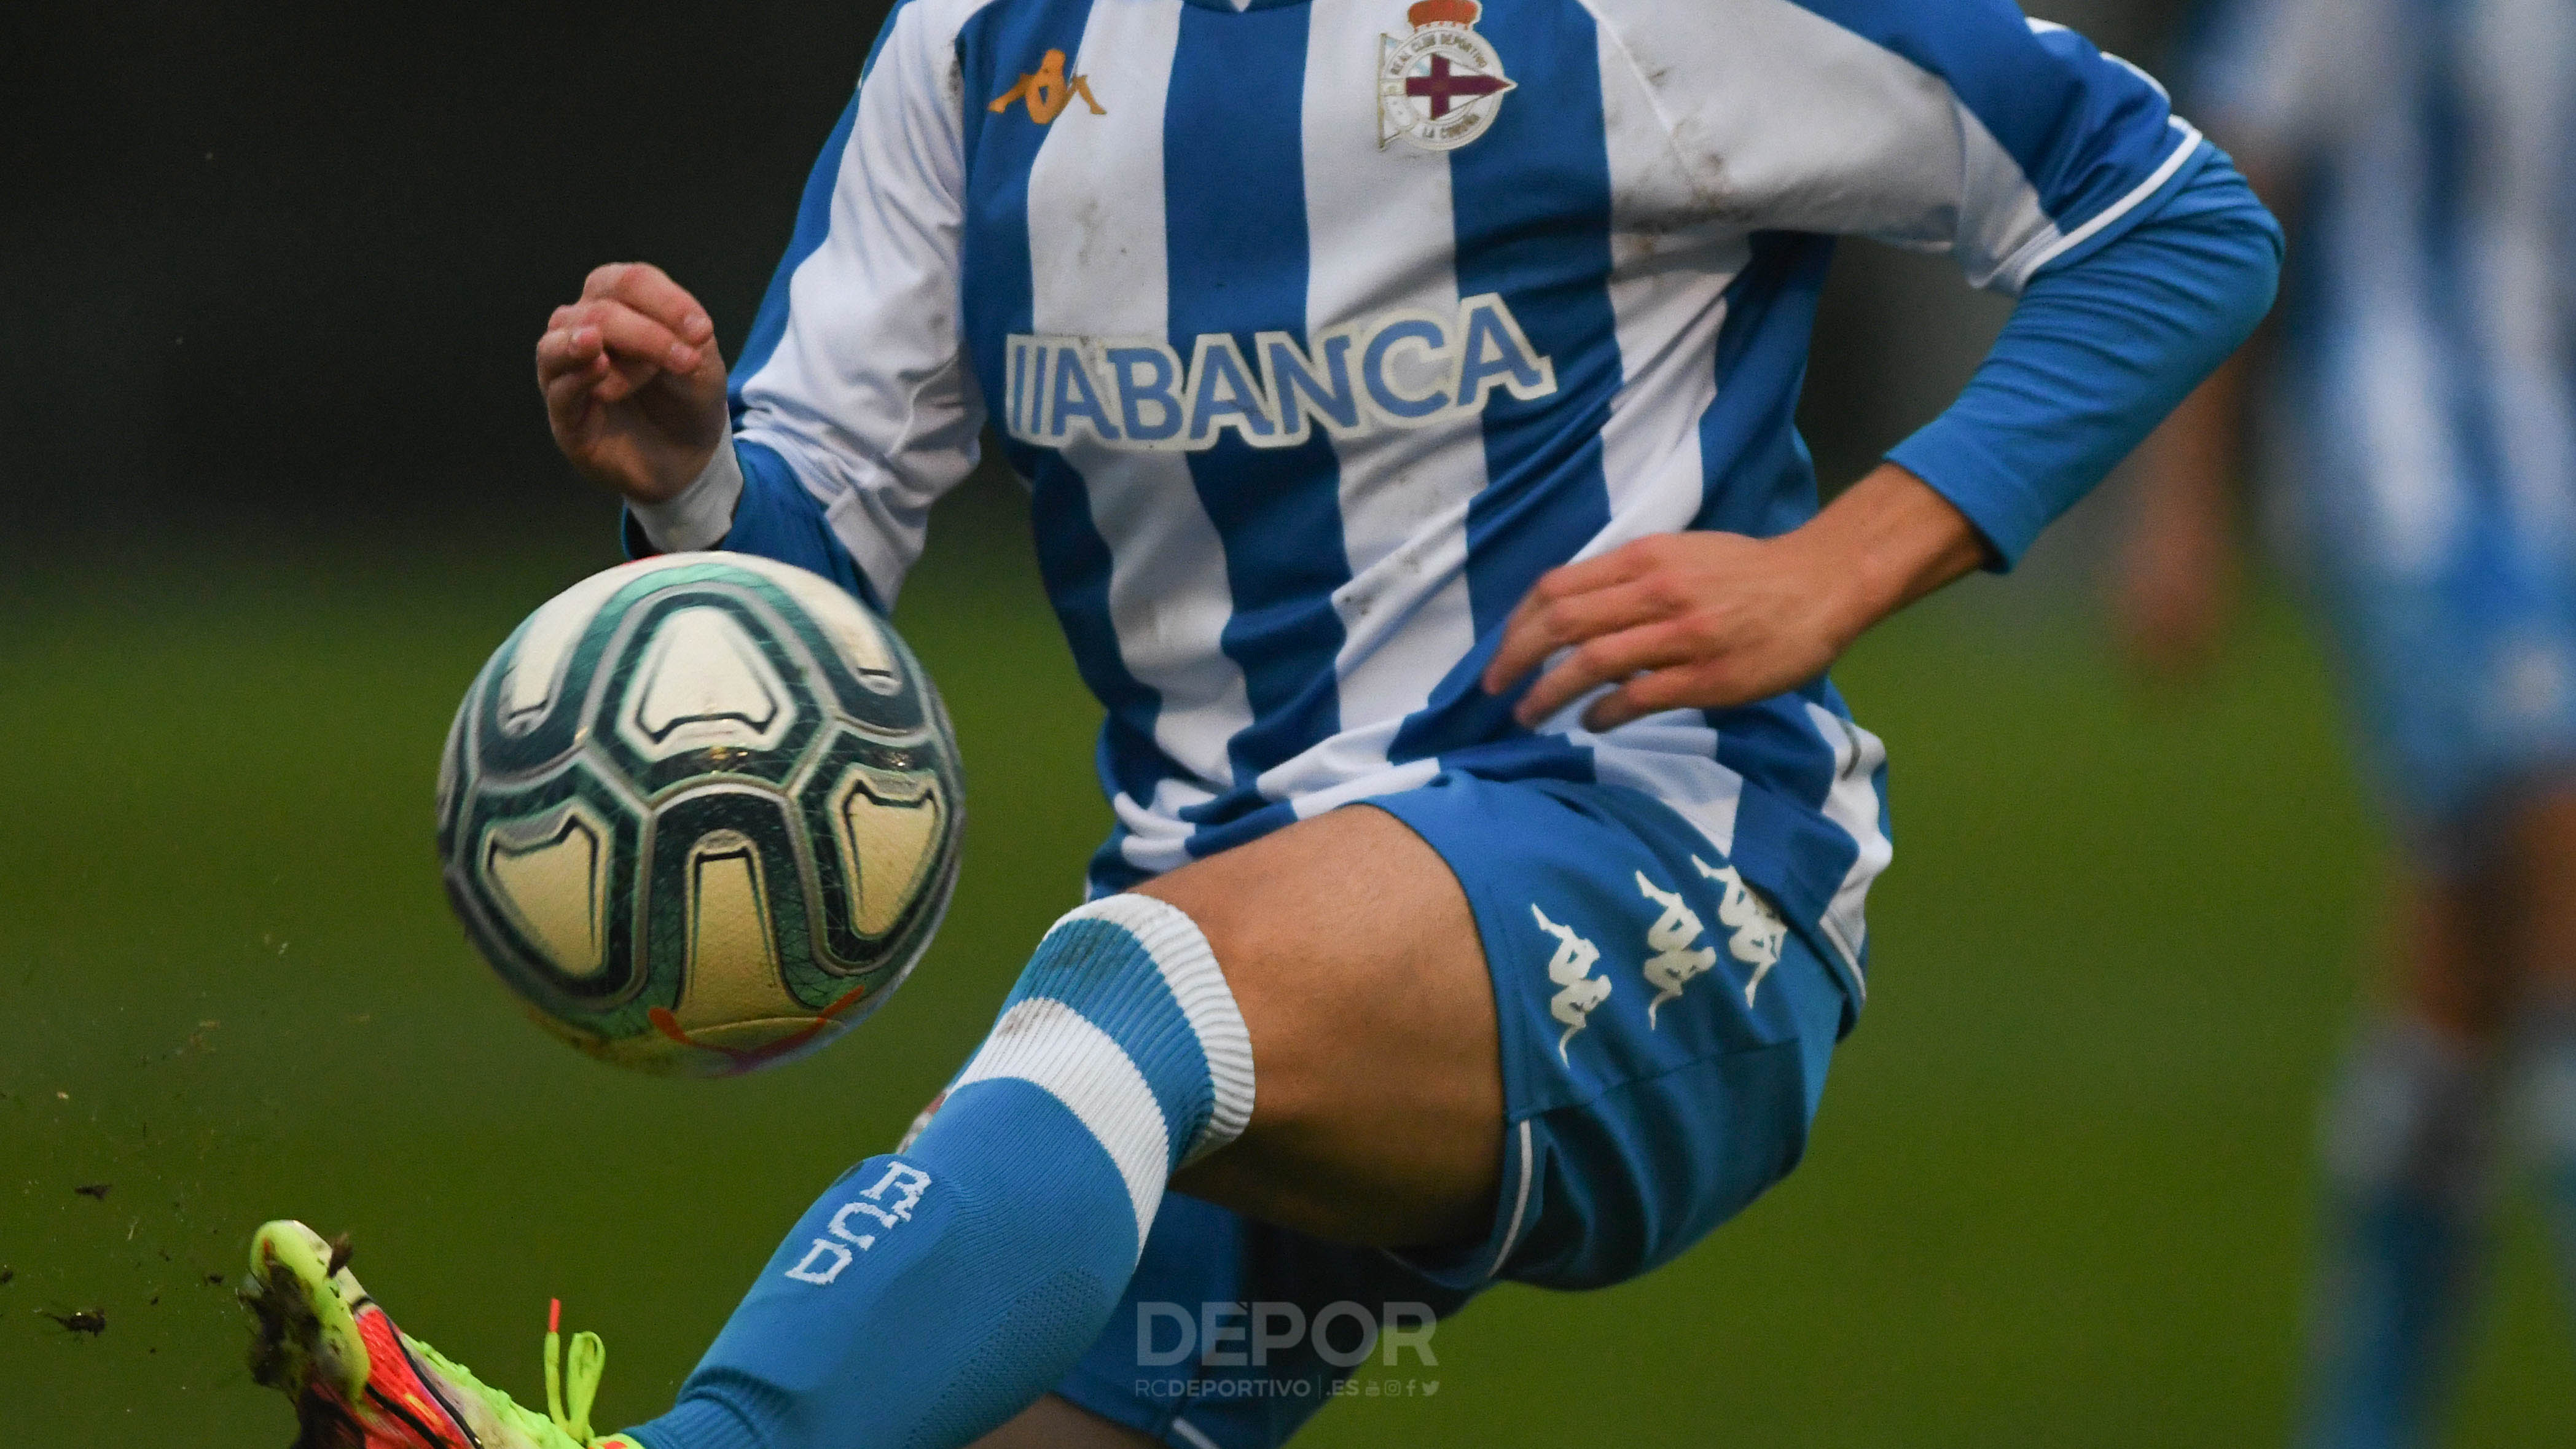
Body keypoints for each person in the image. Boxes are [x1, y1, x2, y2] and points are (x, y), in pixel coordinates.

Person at [241, 0, 2277, 1445]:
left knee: (1128, 984)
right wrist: (694, 475)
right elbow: (804, 545)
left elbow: (2171, 214)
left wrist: (1838, 564)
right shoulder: (980, 49)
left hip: (1655, 876)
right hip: (1234, 1037)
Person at [2120, 2, 2576, 1445]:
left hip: (2551, 459)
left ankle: (2364, 1416)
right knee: (2559, 838)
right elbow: (2240, 168)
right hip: (2418, 463)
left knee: (2463, 947)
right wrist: (2186, 501)